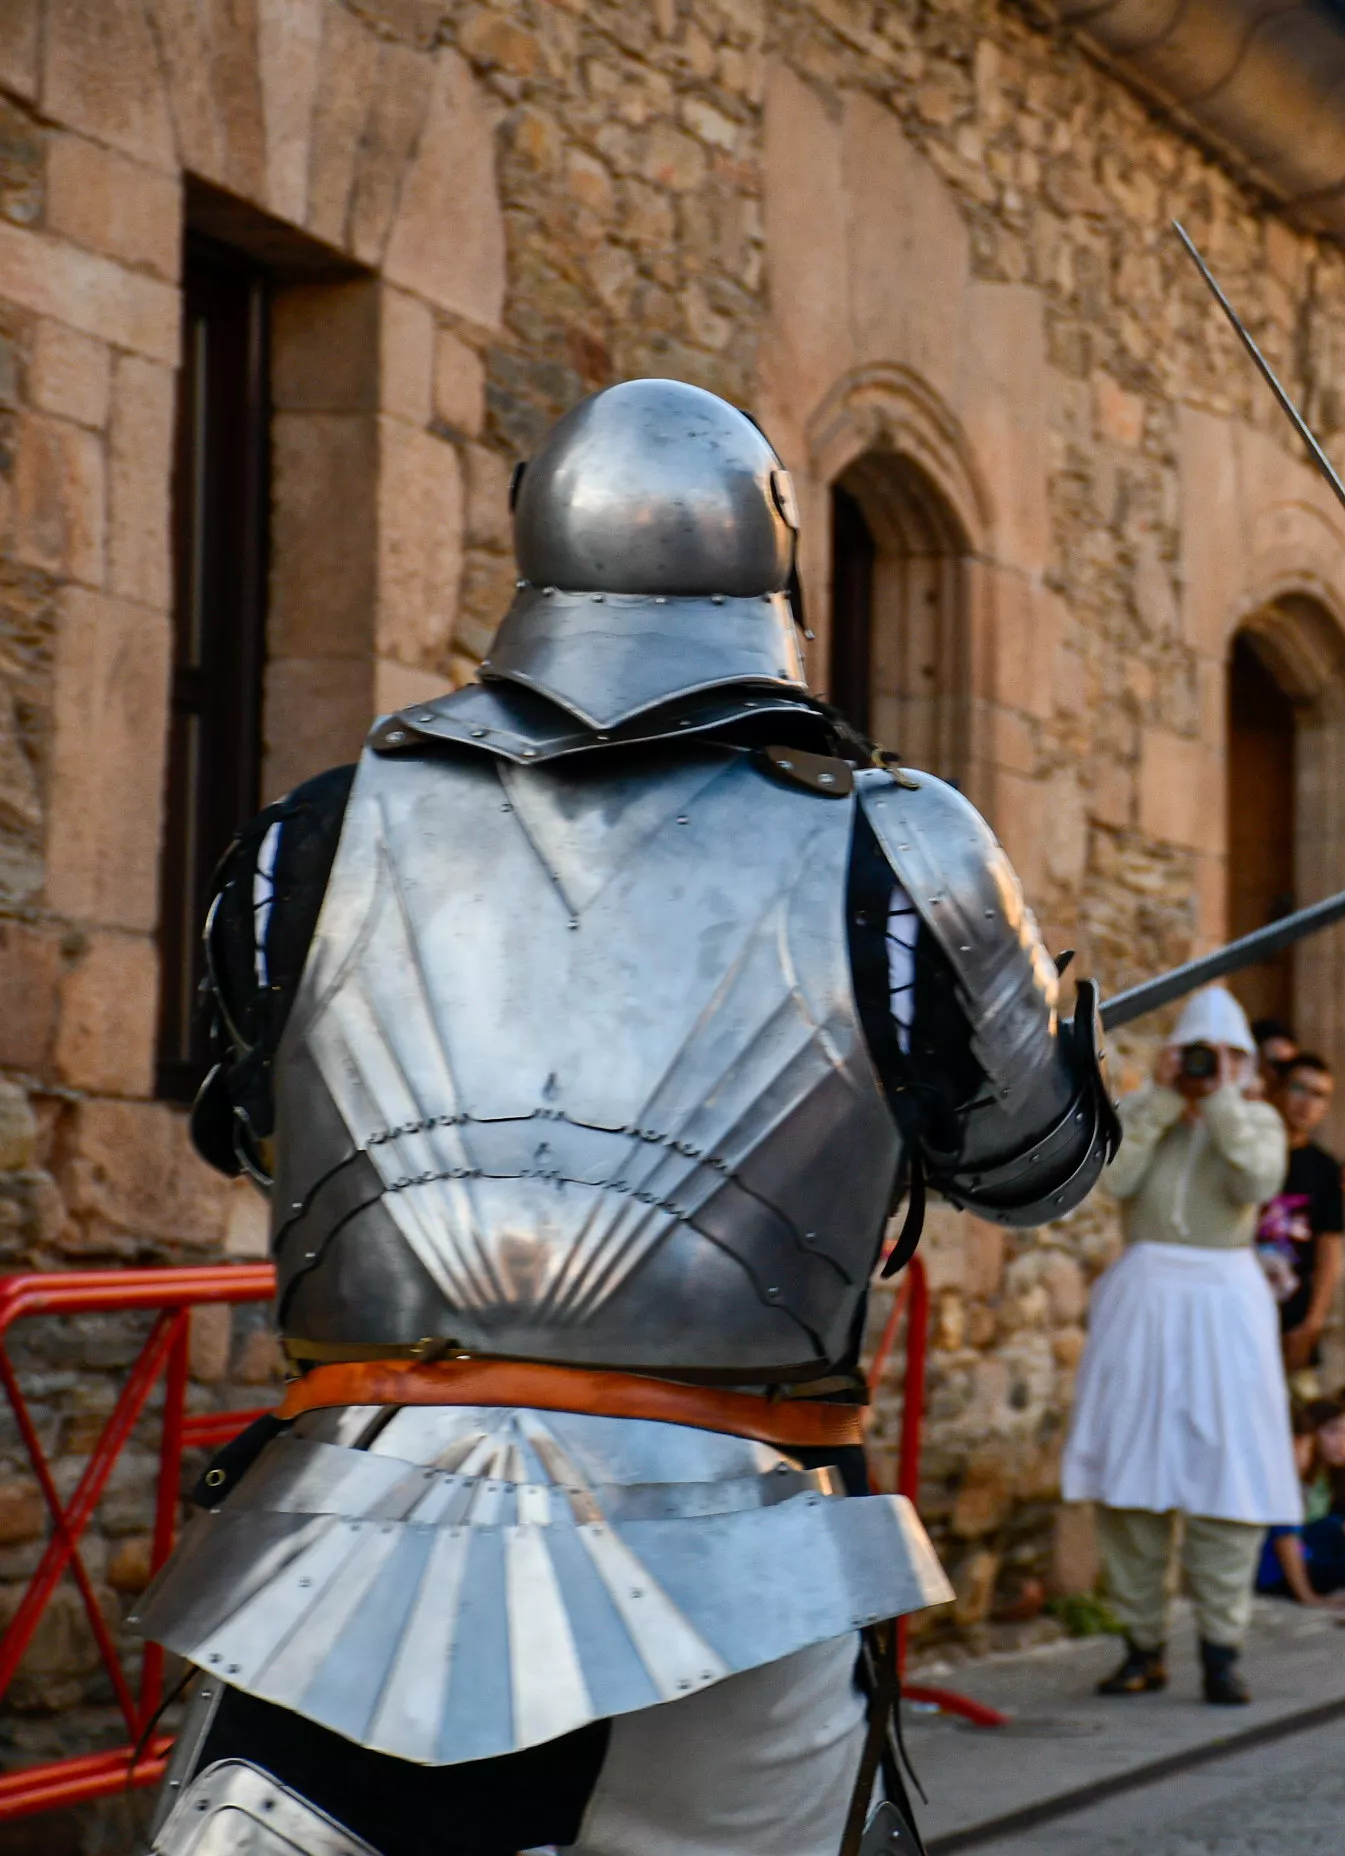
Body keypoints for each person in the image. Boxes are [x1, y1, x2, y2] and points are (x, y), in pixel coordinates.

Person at [128, 380, 1117, 1856]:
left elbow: (261, 1134)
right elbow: (1037, 1170)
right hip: (736, 1545)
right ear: (774, 562)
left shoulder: (317, 831)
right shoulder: (902, 841)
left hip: (347, 1532)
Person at [1062, 985, 1296, 1705]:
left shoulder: (1257, 1120)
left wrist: (1220, 1101)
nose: (1209, 1064)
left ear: (1246, 1062)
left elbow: (1257, 1178)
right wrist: (1162, 1101)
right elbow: (1114, 1179)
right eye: (1199, 1053)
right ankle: (1142, 1644)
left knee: (1227, 1472)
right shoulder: (1139, 1115)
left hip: (1225, 1302)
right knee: (1132, 1473)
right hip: (1145, 1295)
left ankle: (1223, 1646)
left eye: (1226, 1055)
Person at [1260, 1053, 1345, 1375]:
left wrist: (1313, 1323)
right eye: (1300, 1088)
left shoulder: (1325, 1170)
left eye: (1319, 1095)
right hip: (1238, 1308)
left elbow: (1329, 1250)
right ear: (1279, 1090)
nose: (1307, 1103)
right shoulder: (1250, 1153)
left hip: (1292, 1317)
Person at [1257, 1401, 1345, 1606]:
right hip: (1276, 1577)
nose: (1343, 1441)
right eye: (1308, 1447)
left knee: (1332, 1530)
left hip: (1303, 1557)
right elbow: (1286, 1542)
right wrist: (1308, 1597)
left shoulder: (1322, 1480)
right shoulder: (1285, 1484)